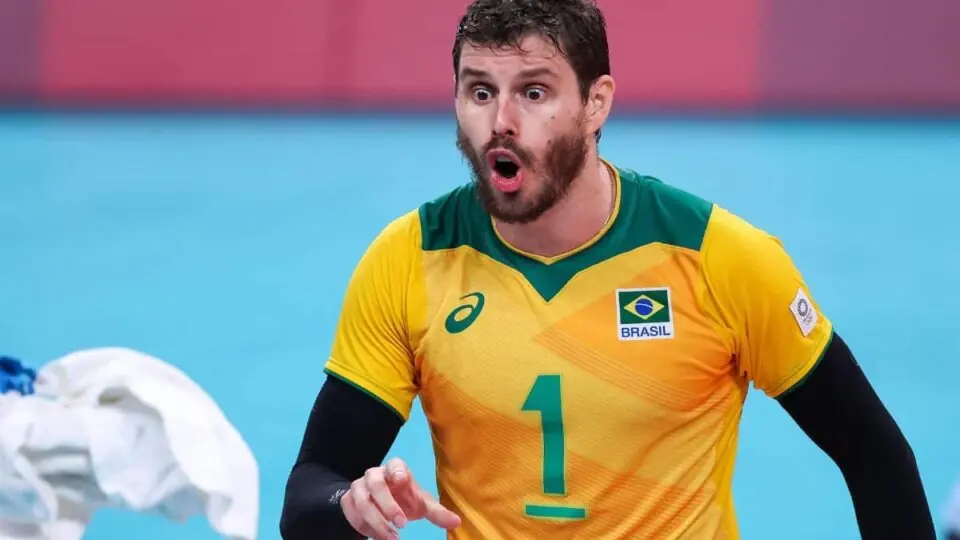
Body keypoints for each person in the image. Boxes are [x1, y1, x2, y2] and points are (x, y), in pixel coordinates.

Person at [279, 0, 936, 538]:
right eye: (480, 91)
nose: (501, 122)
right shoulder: (410, 258)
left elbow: (874, 456)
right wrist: (350, 505)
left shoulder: (717, 257)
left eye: (534, 92)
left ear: (597, 103)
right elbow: (310, 490)